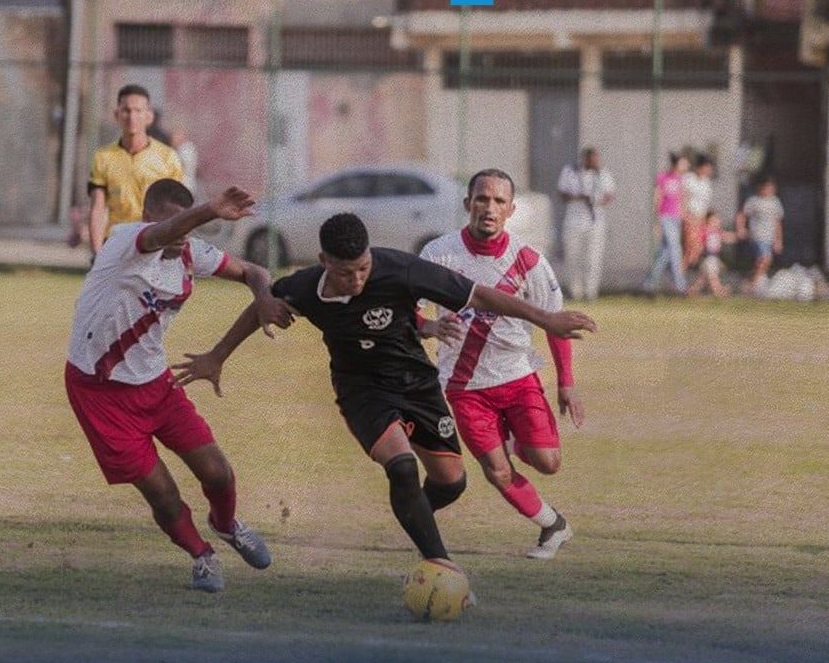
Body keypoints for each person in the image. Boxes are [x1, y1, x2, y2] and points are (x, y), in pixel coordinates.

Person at [172, 213, 596, 578]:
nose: (357, 279)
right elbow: (261, 305)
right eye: (345, 272)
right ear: (324, 263)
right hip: (361, 390)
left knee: (451, 484)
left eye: (363, 268)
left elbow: (479, 294)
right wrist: (217, 355)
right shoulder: (305, 288)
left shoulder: (400, 269)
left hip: (417, 384)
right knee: (402, 468)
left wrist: (547, 319)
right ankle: (439, 562)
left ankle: (412, 514)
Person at [64, 180, 292, 593]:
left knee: (218, 473)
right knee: (163, 495)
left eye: (187, 228)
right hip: (100, 392)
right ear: (148, 216)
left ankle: (226, 526)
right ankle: (201, 556)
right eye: (173, 223)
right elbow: (163, 233)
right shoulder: (127, 242)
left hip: (154, 381)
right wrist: (208, 209)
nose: (181, 234)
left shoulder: (189, 252)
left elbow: (254, 271)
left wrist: (262, 298)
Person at [419, 169, 583, 560]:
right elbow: (410, 309)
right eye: (481, 199)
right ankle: (553, 525)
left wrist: (566, 381)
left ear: (511, 209)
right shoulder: (437, 255)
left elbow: (554, 321)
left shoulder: (528, 259)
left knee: (548, 463)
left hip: (517, 377)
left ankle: (514, 437)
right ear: (467, 205)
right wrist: (427, 326)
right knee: (498, 471)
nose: (488, 208)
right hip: (463, 388)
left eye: (497, 201)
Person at [87, 85, 183, 260]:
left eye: (138, 111)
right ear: (117, 114)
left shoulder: (168, 157)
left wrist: (172, 248)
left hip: (155, 242)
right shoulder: (103, 157)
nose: (132, 117)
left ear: (149, 116)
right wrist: (96, 252)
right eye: (126, 110)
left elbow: (177, 210)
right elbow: (98, 207)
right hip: (116, 242)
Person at [557, 147, 615, 301]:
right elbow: (562, 193)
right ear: (585, 159)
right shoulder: (570, 171)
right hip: (573, 221)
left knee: (593, 258)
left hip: (595, 222)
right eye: (592, 160)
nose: (596, 163)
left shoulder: (603, 174)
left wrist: (596, 200)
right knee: (572, 257)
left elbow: (609, 195)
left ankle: (591, 292)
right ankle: (575, 292)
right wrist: (580, 197)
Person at [644, 153, 690, 295]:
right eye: (683, 163)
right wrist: (656, 219)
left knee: (665, 252)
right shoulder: (663, 177)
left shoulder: (680, 179)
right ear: (676, 164)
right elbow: (657, 197)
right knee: (676, 249)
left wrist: (684, 215)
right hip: (665, 217)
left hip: (676, 217)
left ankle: (648, 284)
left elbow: (682, 198)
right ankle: (680, 285)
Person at [736, 176, 784, 293]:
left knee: (763, 261)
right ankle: (753, 284)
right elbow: (741, 215)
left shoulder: (775, 202)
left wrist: (778, 240)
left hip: (769, 237)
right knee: (765, 259)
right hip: (757, 236)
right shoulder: (754, 201)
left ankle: (750, 280)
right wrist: (741, 229)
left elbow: (777, 223)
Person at [687, 210, 736, 297]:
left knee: (701, 279)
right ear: (708, 220)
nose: (717, 221)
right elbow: (699, 244)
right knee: (713, 277)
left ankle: (690, 291)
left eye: (717, 220)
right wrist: (694, 255)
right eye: (714, 220)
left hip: (713, 258)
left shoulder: (717, 232)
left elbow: (726, 237)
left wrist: (736, 237)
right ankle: (718, 291)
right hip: (708, 257)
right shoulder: (705, 231)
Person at [681, 156, 715, 272]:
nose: (708, 171)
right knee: (691, 246)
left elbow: (705, 204)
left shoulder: (707, 183)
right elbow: (683, 197)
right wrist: (685, 215)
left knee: (698, 249)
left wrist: (705, 222)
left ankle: (681, 272)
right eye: (706, 168)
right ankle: (680, 275)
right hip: (690, 217)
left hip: (701, 219)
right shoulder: (688, 179)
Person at [170, 127, 199, 198]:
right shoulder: (181, 149)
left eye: (175, 136)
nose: (173, 139)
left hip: (185, 185)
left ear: (182, 136)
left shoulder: (186, 149)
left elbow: (181, 164)